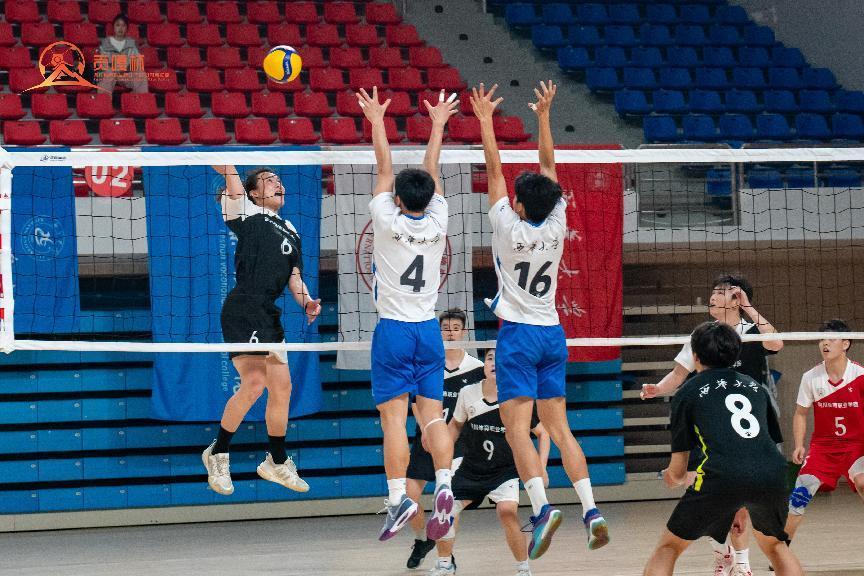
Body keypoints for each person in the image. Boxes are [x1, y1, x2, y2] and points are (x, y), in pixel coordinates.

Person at [469, 80, 608, 558]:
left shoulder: (507, 225)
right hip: (553, 334)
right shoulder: (558, 223)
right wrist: (544, 116)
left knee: (516, 430)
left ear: (519, 205)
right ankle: (591, 510)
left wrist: (485, 120)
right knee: (561, 429)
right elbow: (549, 169)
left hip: (518, 337)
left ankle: (543, 507)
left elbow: (493, 169)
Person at [355, 86, 461, 542]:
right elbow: (431, 172)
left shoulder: (386, 217)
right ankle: (445, 484)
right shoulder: (438, 220)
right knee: (432, 416)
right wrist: (438, 125)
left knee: (394, 420)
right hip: (428, 329)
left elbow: (384, 169)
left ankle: (399, 496)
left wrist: (377, 121)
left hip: (395, 330)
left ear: (397, 199)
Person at [641, 273, 783, 576]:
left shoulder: (751, 330)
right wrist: (658, 388)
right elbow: (678, 374)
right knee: (706, 492)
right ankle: (722, 555)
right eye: (714, 291)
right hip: (711, 424)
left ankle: (742, 563)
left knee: (741, 502)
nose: (714, 295)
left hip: (746, 426)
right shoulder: (702, 336)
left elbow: (776, 343)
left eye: (722, 291)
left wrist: (749, 307)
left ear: (737, 298)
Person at [202, 165, 321, 496]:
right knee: (255, 383)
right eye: (269, 181)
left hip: (269, 313)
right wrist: (226, 167)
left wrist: (307, 302)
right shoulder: (245, 211)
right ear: (253, 192)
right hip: (244, 308)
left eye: (279, 180)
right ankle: (218, 453)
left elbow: (294, 277)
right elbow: (232, 180)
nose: (278, 184)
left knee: (282, 388)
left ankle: (276, 461)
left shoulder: (291, 230)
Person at [428, 348, 550, 576]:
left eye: (500, 359)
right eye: (490, 358)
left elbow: (543, 433)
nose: (494, 363)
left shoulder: (517, 397)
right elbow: (455, 426)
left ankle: (524, 569)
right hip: (472, 467)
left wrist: (541, 468)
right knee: (445, 509)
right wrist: (441, 447)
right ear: (483, 364)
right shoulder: (467, 392)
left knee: (507, 512)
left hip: (505, 469)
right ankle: (445, 564)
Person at [406, 308, 485, 569]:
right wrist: (426, 429)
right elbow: (415, 401)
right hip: (426, 438)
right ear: (438, 332)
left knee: (447, 502)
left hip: (458, 443)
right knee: (407, 499)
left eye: (455, 328)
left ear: (464, 332)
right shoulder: (429, 363)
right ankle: (422, 540)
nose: (450, 333)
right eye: (446, 329)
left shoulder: (478, 369)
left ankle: (446, 557)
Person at [785, 319, 864, 543]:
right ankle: (782, 548)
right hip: (823, 449)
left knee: (863, 482)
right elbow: (800, 413)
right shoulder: (811, 377)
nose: (824, 343)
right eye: (821, 339)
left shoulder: (860, 375)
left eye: (831, 339)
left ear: (846, 344)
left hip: (856, 446)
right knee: (800, 494)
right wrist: (799, 444)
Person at [96, 14, 148, 93]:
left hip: (125, 74)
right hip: (110, 73)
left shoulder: (131, 43)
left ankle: (139, 100)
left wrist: (127, 69)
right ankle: (104, 100)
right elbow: (102, 62)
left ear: (127, 28)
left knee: (141, 75)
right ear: (114, 27)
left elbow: (137, 62)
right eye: (118, 25)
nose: (120, 28)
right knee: (107, 75)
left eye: (123, 25)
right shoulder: (106, 42)